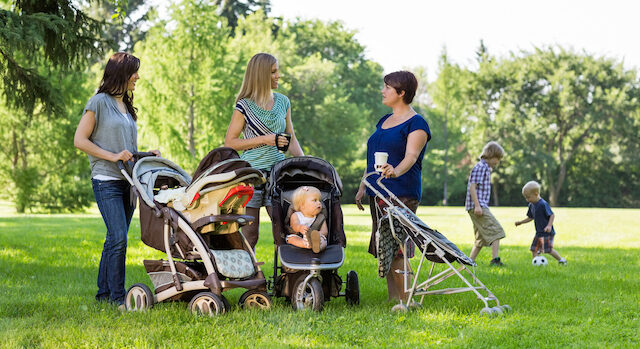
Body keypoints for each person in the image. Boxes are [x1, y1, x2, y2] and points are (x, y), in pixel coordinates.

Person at [74, 52, 160, 307]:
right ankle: (117, 297)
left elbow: (125, 149)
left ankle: (103, 294)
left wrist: (145, 153)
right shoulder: (98, 102)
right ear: (120, 73)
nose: (138, 77)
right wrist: (112, 156)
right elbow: (80, 140)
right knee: (119, 237)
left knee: (114, 238)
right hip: (105, 179)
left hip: (128, 181)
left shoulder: (126, 105)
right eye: (134, 72)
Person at [355, 71, 431, 302]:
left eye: (388, 87)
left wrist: (395, 170)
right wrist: (363, 185)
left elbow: (411, 156)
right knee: (383, 245)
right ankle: (393, 298)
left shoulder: (417, 123)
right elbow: (373, 159)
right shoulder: (383, 121)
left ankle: (407, 299)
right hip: (377, 192)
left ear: (402, 93)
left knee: (397, 246)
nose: (383, 90)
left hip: (401, 192)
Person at [224, 53, 304, 250]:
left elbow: (291, 137)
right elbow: (230, 143)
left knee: (284, 228)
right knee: (251, 233)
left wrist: (305, 163)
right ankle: (248, 275)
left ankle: (286, 275)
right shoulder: (244, 105)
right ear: (261, 75)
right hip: (251, 175)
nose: (278, 76)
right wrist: (265, 140)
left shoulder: (283, 101)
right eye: (273, 72)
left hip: (278, 173)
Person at [465, 141, 506, 266]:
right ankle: (495, 260)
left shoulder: (486, 168)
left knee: (480, 239)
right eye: (497, 158)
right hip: (478, 206)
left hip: (478, 206)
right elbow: (472, 187)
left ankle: (468, 262)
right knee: (497, 231)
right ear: (490, 155)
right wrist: (477, 205)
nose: (497, 162)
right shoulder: (481, 167)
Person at [515, 181, 567, 265]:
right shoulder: (531, 205)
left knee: (548, 250)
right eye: (525, 197)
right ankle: (536, 264)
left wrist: (549, 226)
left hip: (547, 233)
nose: (527, 200)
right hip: (538, 232)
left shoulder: (543, 204)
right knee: (534, 249)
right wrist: (521, 222)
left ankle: (561, 260)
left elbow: (552, 215)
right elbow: (530, 217)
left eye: (528, 197)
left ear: (536, 194)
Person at [287, 186, 328, 253]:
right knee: (292, 239)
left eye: (319, 200)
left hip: (315, 238)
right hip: (299, 236)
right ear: (302, 205)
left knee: (323, 240)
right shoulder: (296, 215)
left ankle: (317, 247)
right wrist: (299, 228)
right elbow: (294, 226)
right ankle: (305, 244)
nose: (319, 203)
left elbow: (325, 231)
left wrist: (318, 235)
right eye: (315, 200)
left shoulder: (321, 217)